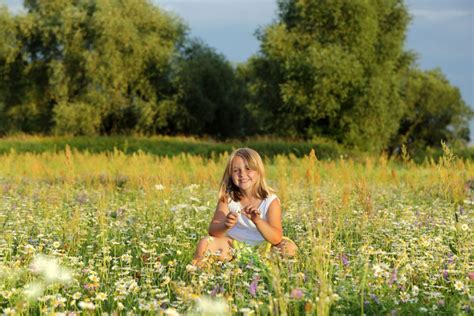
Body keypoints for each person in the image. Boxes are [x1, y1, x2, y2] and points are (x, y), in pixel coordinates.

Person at [193, 147, 297, 264]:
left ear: (259, 171)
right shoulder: (227, 199)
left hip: (266, 247)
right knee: (205, 243)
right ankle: (195, 275)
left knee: (288, 248)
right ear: (230, 174)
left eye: (248, 169)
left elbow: (276, 238)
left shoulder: (270, 201)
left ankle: (273, 269)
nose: (242, 174)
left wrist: (257, 221)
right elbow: (213, 232)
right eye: (236, 170)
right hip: (235, 247)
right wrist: (225, 225)